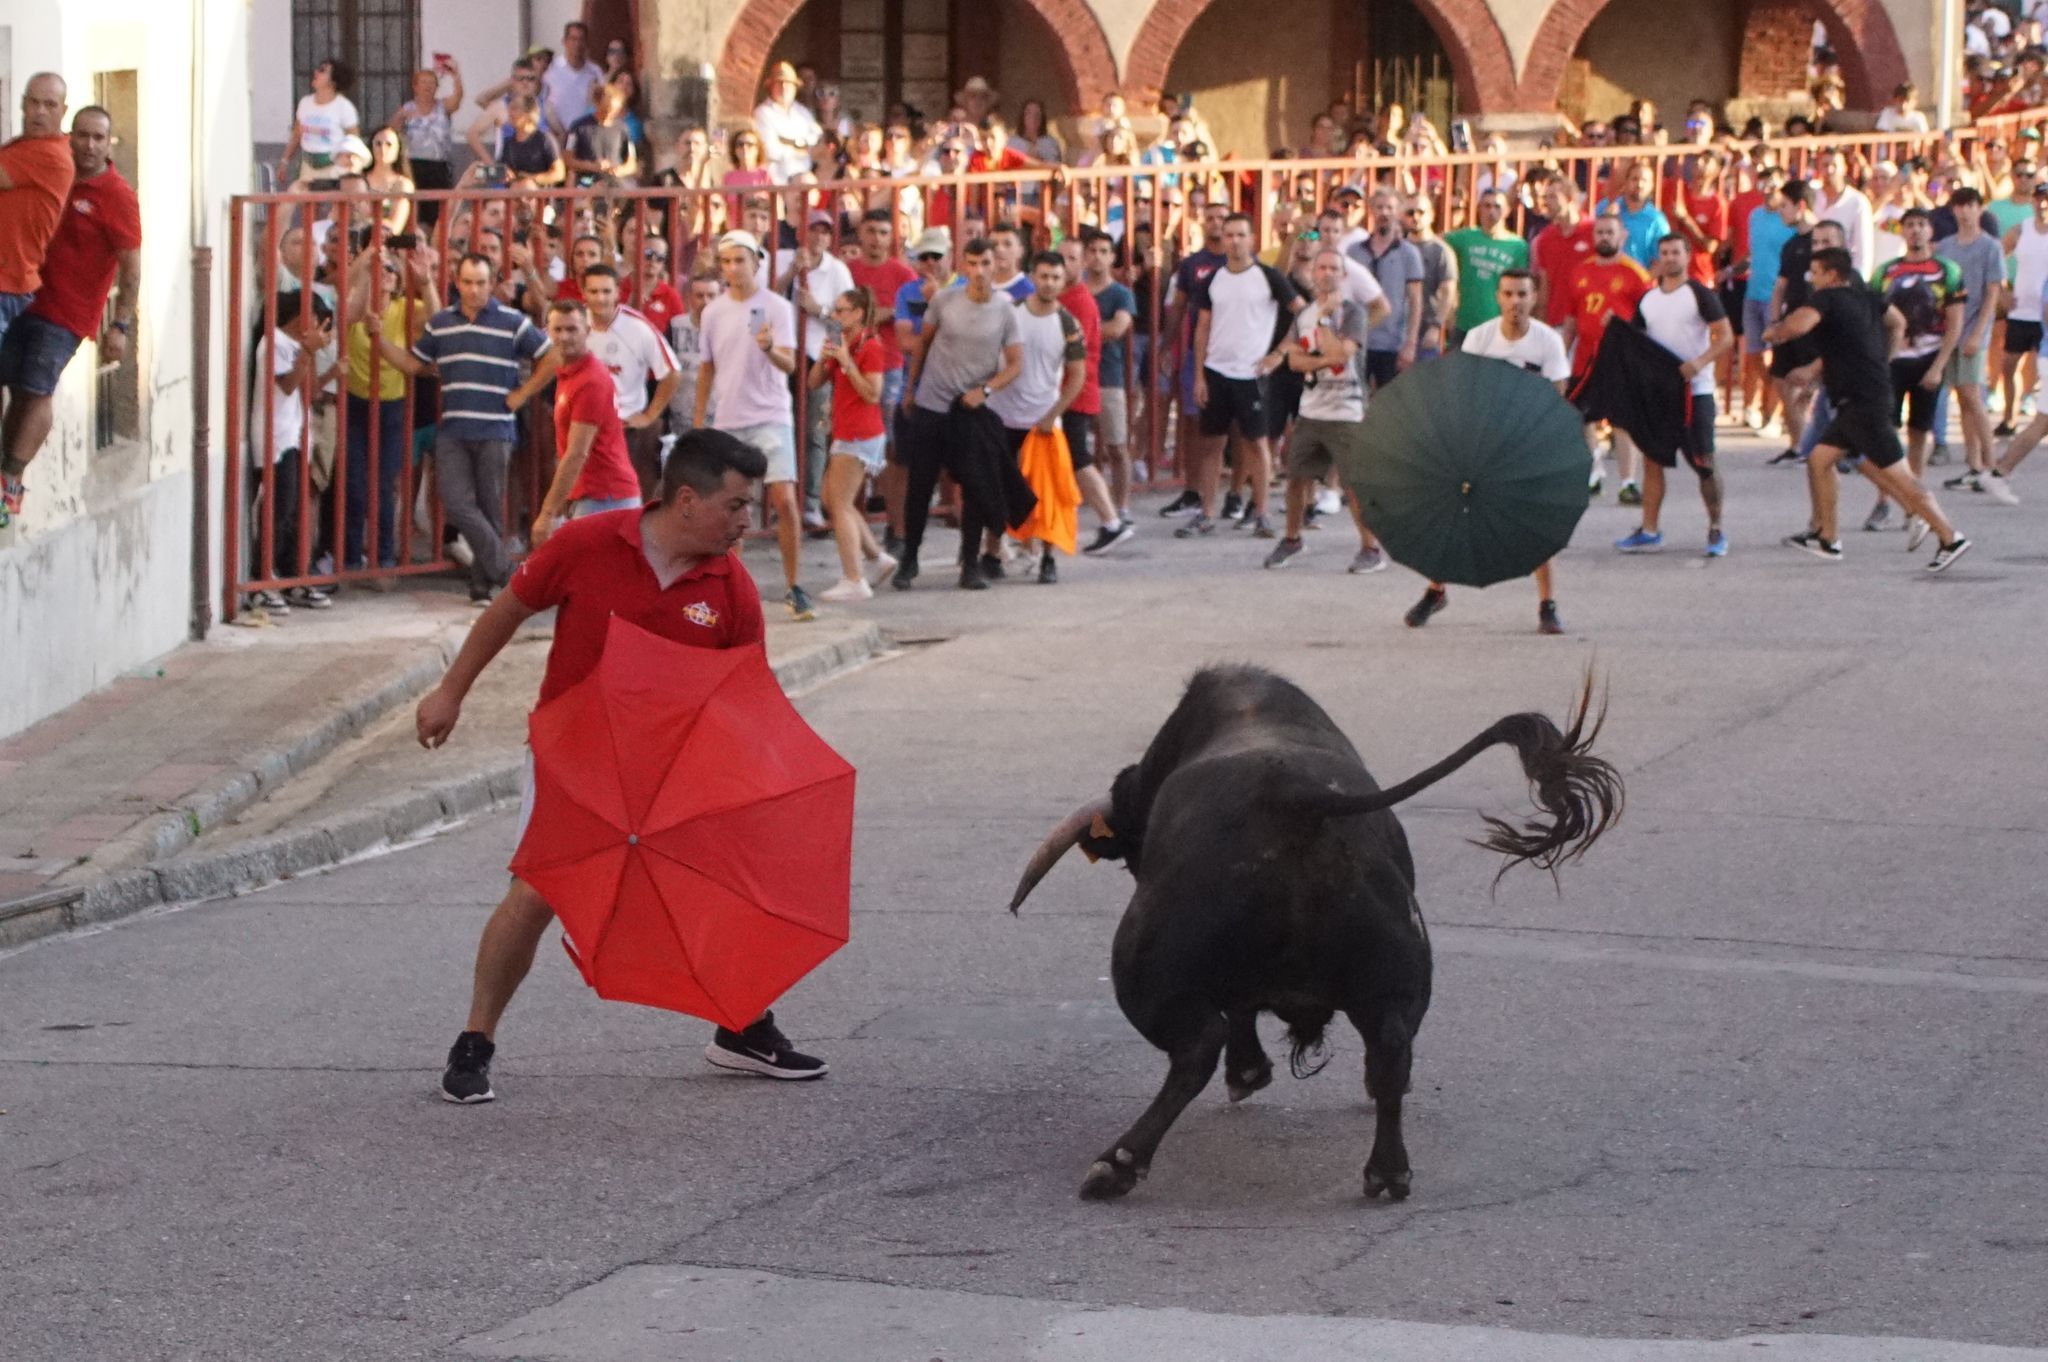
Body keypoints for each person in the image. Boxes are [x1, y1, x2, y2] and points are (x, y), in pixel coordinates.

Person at [427, 428, 830, 1105]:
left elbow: (748, 696)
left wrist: (760, 780)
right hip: (575, 759)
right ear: (686, 501)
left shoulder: (730, 587)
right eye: (735, 506)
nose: (746, 522)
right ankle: (475, 1041)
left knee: (718, 886)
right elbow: (508, 611)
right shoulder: (588, 545)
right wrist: (450, 692)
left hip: (671, 770)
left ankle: (742, 1027)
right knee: (537, 895)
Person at [364, 252, 552, 605]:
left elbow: (552, 355)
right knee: (455, 501)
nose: (474, 290)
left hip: (496, 428)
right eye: (467, 282)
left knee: (490, 508)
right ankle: (506, 572)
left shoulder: (512, 321)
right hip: (453, 428)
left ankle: (482, 586)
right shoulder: (441, 323)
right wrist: (379, 340)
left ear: (493, 282)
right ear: (456, 282)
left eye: (481, 283)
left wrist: (523, 394)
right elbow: (413, 364)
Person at [1766, 247, 1970, 570]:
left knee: (1901, 476)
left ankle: (1949, 535)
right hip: (1859, 397)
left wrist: (1775, 331)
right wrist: (1882, 358)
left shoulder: (1825, 299)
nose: (1811, 278)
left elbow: (1798, 326)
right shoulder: (1869, 297)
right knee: (1820, 460)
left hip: (1863, 402)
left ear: (1832, 275)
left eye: (1816, 272)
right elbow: (1897, 323)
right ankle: (1828, 539)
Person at [1409, 270, 1572, 635]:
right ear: (1498, 297)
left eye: (1523, 294)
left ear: (1534, 298)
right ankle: (1436, 592)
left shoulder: (1548, 342)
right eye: (1509, 294)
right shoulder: (1480, 338)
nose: (1516, 301)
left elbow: (1557, 396)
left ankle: (1548, 605)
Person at [0, 103, 129, 528]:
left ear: (108, 143)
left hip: (67, 314)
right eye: (82, 135)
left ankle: (11, 482)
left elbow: (133, 266)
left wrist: (120, 324)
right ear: (69, 135)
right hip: (25, 294)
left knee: (37, 389)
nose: (88, 145)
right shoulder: (54, 168)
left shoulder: (117, 196)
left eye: (98, 137)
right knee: (16, 389)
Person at [696, 229, 814, 619]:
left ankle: (794, 584)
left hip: (770, 415)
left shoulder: (776, 307)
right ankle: (734, 590)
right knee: (732, 508)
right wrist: (700, 422)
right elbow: (707, 367)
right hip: (729, 418)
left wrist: (767, 349)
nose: (732, 268)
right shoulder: (713, 311)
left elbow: (789, 363)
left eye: (739, 260)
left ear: (757, 263)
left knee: (784, 499)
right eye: (726, 261)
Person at [895, 235, 1023, 590]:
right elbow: (923, 343)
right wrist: (911, 387)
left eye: (985, 263)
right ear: (963, 265)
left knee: (975, 486)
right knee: (920, 484)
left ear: (996, 264)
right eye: (972, 263)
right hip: (933, 403)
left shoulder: (1005, 309)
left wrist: (985, 391)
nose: (979, 271)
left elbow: (1015, 364)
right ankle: (909, 559)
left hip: (970, 409)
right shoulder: (944, 300)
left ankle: (970, 563)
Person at [1180, 213, 1301, 540]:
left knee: (1257, 445)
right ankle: (1206, 513)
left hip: (1253, 374)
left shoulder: (1269, 277)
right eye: (1229, 234)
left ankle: (1261, 513)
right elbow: (1201, 328)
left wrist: (1279, 353)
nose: (1234, 241)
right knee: (1211, 444)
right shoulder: (1213, 280)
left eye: (1240, 235)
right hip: (1217, 371)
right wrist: (1200, 377)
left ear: (1251, 239)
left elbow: (1303, 313)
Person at [1264, 247, 1385, 574]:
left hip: (1347, 412)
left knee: (1354, 484)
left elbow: (1342, 355)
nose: (1327, 273)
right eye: (1322, 268)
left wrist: (1324, 326)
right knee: (1296, 477)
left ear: (1344, 276)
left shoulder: (1353, 313)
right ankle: (1292, 538)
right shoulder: (1304, 316)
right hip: (1312, 410)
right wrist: (1317, 351)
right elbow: (1294, 358)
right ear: (1313, 274)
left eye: (1334, 268)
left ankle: (1370, 548)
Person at [1613, 234, 1736, 557]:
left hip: (1697, 392)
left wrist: (1699, 364)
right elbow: (1638, 343)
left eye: (1675, 252)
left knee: (1704, 462)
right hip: (1660, 394)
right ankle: (1650, 530)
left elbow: (1724, 337)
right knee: (1653, 461)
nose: (1669, 258)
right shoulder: (1648, 299)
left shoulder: (1699, 293)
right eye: (1664, 252)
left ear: (1687, 256)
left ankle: (1716, 529)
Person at [1858, 210, 1965, 535]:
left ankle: (1916, 501)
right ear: (1901, 232)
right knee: (1884, 434)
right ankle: (1885, 500)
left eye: (1921, 225)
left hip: (1928, 359)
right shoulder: (1885, 272)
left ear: (1930, 230)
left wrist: (1938, 366)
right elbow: (1872, 317)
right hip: (1892, 361)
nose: (1915, 231)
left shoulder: (1947, 270)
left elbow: (1955, 322)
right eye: (1910, 226)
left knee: (1919, 434)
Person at [989, 252, 1090, 584]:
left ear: (1063, 281)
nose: (1049, 283)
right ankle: (991, 554)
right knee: (997, 489)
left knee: (1047, 494)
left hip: (1042, 422)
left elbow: (1076, 376)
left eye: (1055, 277)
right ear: (1032, 276)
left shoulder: (1068, 324)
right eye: (1044, 276)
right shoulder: (1010, 313)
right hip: (1003, 416)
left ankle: (1047, 558)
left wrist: (1053, 415)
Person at [807, 286, 897, 600]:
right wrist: (824, 359)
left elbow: (872, 393)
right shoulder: (846, 342)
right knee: (835, 500)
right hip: (847, 432)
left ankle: (853, 577)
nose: (834, 316)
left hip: (860, 434)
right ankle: (877, 558)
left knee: (840, 505)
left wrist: (846, 363)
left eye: (841, 310)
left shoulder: (871, 346)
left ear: (858, 313)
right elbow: (813, 382)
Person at [531, 298, 640, 544]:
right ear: (547, 332)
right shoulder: (570, 373)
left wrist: (548, 512)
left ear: (587, 332)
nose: (564, 337)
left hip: (605, 496)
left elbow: (577, 453)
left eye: (572, 329)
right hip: (598, 496)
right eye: (557, 329)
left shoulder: (589, 381)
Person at [1560, 212, 1651, 501]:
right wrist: (1562, 352)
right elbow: (1572, 318)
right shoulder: (1580, 271)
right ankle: (1594, 472)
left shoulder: (1635, 273)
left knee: (1622, 421)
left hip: (1621, 358)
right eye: (1599, 232)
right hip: (1586, 356)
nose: (1604, 238)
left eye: (1610, 232)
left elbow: (1649, 320)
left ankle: (1627, 483)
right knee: (1584, 417)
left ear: (1622, 235)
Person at [578, 263, 681, 503]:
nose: (600, 298)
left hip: (626, 429)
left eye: (606, 291)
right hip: (582, 427)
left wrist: (649, 415)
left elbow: (672, 372)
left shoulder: (637, 326)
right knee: (583, 500)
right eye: (593, 291)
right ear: (583, 293)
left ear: (617, 292)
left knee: (630, 501)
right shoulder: (573, 322)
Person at [785, 214, 855, 531]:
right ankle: (783, 502)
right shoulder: (784, 258)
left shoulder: (837, 270)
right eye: (813, 228)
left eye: (825, 231)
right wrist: (790, 271)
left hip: (819, 355)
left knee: (815, 431)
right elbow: (767, 297)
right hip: (785, 352)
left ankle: (810, 502)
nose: (818, 236)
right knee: (784, 429)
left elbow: (851, 319)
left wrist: (819, 310)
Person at [1934, 188, 2005, 491]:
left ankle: (1993, 466)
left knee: (1974, 397)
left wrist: (1978, 332)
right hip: (1951, 328)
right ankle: (1973, 465)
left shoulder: (1990, 246)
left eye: (1970, 206)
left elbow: (1992, 292)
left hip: (1975, 326)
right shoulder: (1946, 247)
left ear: (1979, 209)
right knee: (1961, 398)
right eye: (1959, 206)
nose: (1964, 212)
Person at [1083, 230, 1139, 531]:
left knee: (1116, 446)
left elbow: (1118, 329)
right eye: (1092, 250)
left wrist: (1079, 331)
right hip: (1076, 376)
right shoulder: (1075, 290)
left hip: (1108, 377)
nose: (1097, 256)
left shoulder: (1121, 293)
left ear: (1112, 257)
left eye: (1104, 251)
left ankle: (1123, 506)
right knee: (1076, 446)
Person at [1352, 189, 1425, 385]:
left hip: (1393, 343)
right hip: (1359, 341)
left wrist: (1410, 343)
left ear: (1398, 211)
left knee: (1390, 406)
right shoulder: (1355, 251)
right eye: (1379, 207)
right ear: (1371, 210)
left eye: (1389, 207)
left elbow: (1416, 300)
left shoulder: (1409, 253)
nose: (1384, 212)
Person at [1443, 188, 1529, 343]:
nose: (1492, 212)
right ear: (1479, 209)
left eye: (1497, 206)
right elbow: (1433, 241)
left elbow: (1522, 287)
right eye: (1486, 206)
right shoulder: (1464, 237)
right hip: (1464, 324)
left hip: (1499, 326)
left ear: (1507, 211)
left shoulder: (1518, 246)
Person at [1998, 179, 2048, 436]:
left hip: (2046, 315)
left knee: (2043, 367)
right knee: (2009, 365)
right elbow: (1998, 258)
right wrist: (2003, 291)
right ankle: (2010, 416)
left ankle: (2039, 413)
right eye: (2039, 198)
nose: (2043, 204)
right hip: (2022, 309)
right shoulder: (2021, 230)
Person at [391, 61, 464, 226]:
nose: (427, 86)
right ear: (415, 86)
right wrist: (401, 117)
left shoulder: (442, 106)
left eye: (431, 83)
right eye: (423, 82)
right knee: (414, 210)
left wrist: (456, 75)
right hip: (413, 165)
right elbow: (391, 131)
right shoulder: (407, 108)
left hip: (438, 166)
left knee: (438, 212)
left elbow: (458, 97)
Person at [279, 60, 359, 189]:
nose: (316, 72)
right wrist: (284, 161)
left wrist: (352, 167)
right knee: (293, 196)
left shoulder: (344, 107)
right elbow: (296, 136)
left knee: (337, 206)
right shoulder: (305, 103)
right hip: (309, 165)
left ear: (333, 81)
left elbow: (354, 140)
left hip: (334, 167)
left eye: (322, 70)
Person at [1530, 176, 1594, 328]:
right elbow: (1544, 286)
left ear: (1570, 198)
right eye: (1545, 197)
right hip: (1555, 322)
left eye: (1553, 197)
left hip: (1586, 323)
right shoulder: (1545, 239)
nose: (1546, 202)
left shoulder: (1593, 232)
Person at [1598, 162, 1674, 270]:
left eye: (1644, 181)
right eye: (1635, 179)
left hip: (1637, 282)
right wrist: (1606, 218)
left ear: (1651, 186)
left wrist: (1643, 281)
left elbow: (1662, 261)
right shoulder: (1605, 206)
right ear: (1626, 181)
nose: (1639, 185)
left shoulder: (1656, 220)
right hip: (1605, 277)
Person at [755, 62, 822, 184]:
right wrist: (803, 149)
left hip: (805, 179)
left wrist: (788, 143)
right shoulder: (762, 113)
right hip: (778, 182)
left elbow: (818, 137)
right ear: (771, 87)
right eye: (779, 83)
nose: (784, 87)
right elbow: (770, 150)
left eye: (788, 84)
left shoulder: (802, 112)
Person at [564, 81, 638, 185]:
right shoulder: (578, 127)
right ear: (596, 103)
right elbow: (568, 159)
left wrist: (620, 170)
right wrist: (592, 166)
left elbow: (632, 162)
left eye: (614, 111)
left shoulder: (622, 129)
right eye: (606, 109)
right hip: (586, 180)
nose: (610, 114)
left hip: (614, 181)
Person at [1813, 149, 1874, 273]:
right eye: (1825, 165)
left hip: (1843, 274)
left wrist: (1858, 281)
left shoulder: (1857, 202)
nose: (1829, 170)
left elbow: (1863, 248)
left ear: (1844, 168)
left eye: (1834, 165)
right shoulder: (1812, 197)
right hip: (1814, 274)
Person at [541, 22, 604, 137]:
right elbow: (543, 102)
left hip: (586, 135)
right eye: (573, 39)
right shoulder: (551, 69)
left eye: (581, 40)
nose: (577, 44)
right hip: (557, 134)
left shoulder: (595, 71)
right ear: (564, 41)